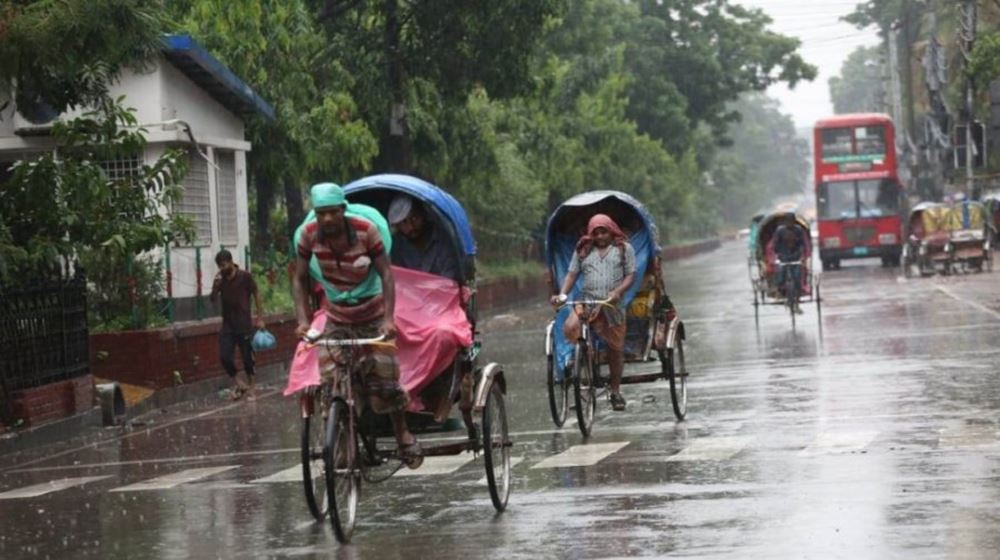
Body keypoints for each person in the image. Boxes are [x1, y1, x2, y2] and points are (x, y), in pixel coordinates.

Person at [292, 183, 422, 468]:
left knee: (384, 379)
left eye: (332, 213)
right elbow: (300, 279)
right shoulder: (309, 235)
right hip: (337, 315)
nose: (327, 220)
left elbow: (386, 275)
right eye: (321, 213)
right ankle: (343, 438)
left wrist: (388, 319)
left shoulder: (366, 230)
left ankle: (401, 431)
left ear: (343, 210)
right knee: (331, 380)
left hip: (372, 313)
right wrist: (303, 319)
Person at [550, 214, 636, 411]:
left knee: (615, 349)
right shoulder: (583, 250)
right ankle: (583, 365)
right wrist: (561, 294)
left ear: (611, 230)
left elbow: (631, 275)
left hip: (611, 304)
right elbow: (572, 274)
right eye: (595, 232)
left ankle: (615, 391)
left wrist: (617, 292)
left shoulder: (624, 249)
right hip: (587, 301)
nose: (600, 236)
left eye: (603, 231)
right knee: (571, 327)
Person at [210, 249, 264, 400]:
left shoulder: (245, 276)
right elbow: (213, 299)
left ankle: (252, 388)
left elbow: (256, 294)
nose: (222, 268)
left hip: (244, 324)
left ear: (231, 262)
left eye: (224, 265)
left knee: (247, 358)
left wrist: (259, 318)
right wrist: (215, 286)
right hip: (228, 326)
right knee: (224, 356)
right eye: (219, 266)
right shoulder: (221, 280)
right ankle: (239, 383)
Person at [387, 194, 460, 281]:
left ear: (423, 214)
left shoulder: (444, 241)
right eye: (404, 223)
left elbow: (449, 281)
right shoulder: (397, 246)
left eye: (414, 218)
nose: (411, 226)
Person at [773, 215, 806, 314]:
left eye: (791, 221)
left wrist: (799, 253)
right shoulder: (780, 231)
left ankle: (797, 302)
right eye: (788, 221)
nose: (790, 223)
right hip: (783, 257)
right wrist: (779, 255)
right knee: (781, 273)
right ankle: (779, 290)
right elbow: (776, 245)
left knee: (797, 277)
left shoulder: (798, 230)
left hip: (795, 257)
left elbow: (802, 244)